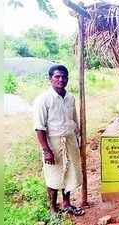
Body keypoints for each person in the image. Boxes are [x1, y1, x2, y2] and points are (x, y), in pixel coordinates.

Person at [33, 65, 85, 216]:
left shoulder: (70, 98)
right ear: (50, 79)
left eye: (64, 77)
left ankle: (67, 203)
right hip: (53, 142)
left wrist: (78, 139)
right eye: (57, 76)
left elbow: (74, 120)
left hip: (70, 140)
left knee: (69, 173)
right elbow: (39, 127)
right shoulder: (43, 100)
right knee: (54, 175)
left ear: (67, 79)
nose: (61, 79)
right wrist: (46, 150)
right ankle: (53, 209)